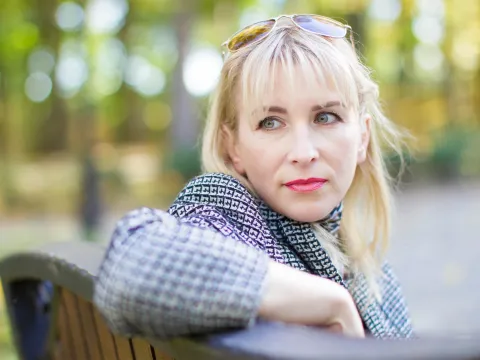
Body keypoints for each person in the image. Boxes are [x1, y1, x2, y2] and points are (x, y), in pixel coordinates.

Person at [94, 14, 414, 340]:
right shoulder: (229, 216)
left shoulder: (373, 273)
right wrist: (329, 301)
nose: (303, 152)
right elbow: (131, 265)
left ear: (362, 137)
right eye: (271, 123)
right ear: (233, 146)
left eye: (326, 117)